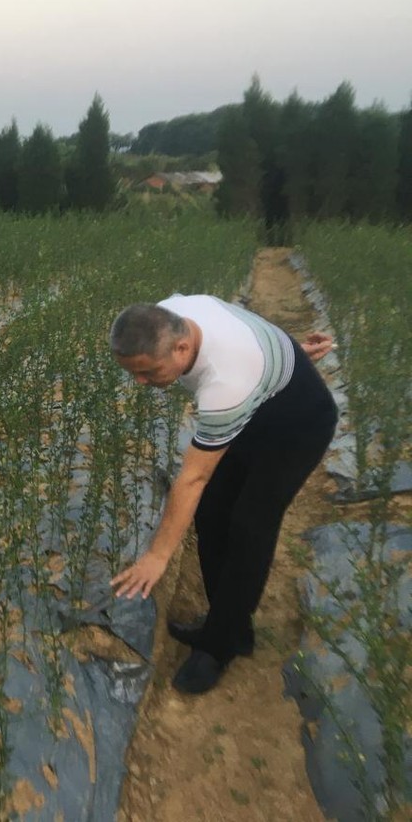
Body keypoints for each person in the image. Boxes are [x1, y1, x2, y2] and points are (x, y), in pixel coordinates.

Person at [109, 295, 337, 694]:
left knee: (250, 524)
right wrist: (285, 356)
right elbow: (242, 321)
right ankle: (227, 622)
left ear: (181, 347)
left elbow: (193, 478)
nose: (140, 383)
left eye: (148, 372)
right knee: (212, 511)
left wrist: (158, 556)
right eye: (133, 373)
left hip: (298, 424)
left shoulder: (226, 382)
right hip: (257, 404)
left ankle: (220, 646)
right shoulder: (172, 312)